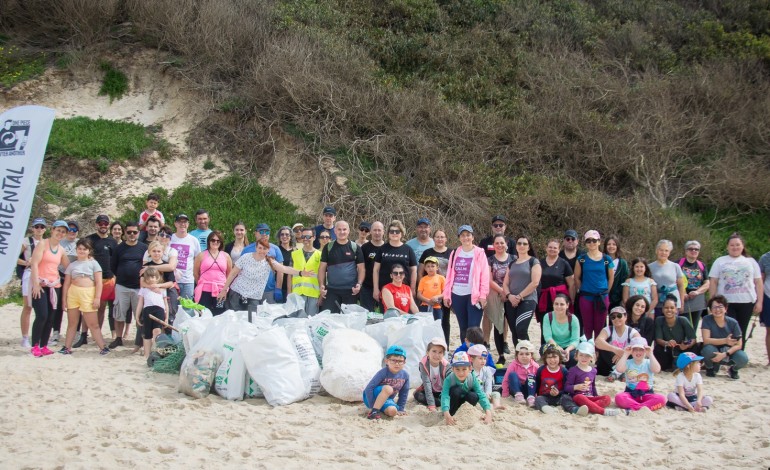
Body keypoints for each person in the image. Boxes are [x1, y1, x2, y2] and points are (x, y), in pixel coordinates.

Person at [708, 233, 763, 349]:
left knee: (741, 330)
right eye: (732, 245)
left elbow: (758, 282)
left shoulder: (751, 262)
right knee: (727, 330)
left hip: (747, 302)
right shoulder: (720, 261)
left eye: (738, 245)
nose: (735, 247)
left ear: (742, 246)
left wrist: (759, 302)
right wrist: (712, 301)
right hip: (726, 303)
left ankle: (738, 357)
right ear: (727, 247)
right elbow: (713, 281)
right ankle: (725, 354)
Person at [59, 239, 109, 355]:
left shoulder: (94, 263)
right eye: (79, 249)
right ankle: (67, 347)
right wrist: (63, 299)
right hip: (73, 293)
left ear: (89, 251)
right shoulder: (72, 265)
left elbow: (99, 282)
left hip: (88, 293)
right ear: (76, 250)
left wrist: (97, 298)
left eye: (84, 249)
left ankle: (102, 347)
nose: (82, 251)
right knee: (72, 323)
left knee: (93, 324)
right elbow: (66, 283)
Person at [28, 220, 70, 357]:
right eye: (58, 230)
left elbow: (68, 267)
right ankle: (34, 345)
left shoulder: (61, 250)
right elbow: (34, 264)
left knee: (51, 317)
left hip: (54, 285)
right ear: (52, 230)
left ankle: (44, 345)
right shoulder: (42, 244)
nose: (60, 233)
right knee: (42, 315)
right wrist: (35, 284)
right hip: (40, 284)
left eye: (63, 231)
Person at [442, 225, 489, 344]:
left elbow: (485, 275)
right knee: (463, 327)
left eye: (468, 235)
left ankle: (475, 353)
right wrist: (446, 295)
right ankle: (464, 354)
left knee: (473, 328)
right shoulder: (454, 252)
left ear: (472, 237)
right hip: (457, 294)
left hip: (474, 295)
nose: (465, 238)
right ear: (459, 238)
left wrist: (483, 295)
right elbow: (449, 275)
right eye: (462, 235)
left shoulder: (479, 252)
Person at [109, 221, 147, 350]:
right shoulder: (119, 248)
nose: (132, 234)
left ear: (138, 233)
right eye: (129, 232)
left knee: (139, 315)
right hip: (122, 286)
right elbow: (113, 266)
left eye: (134, 232)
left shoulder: (143, 248)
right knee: (119, 313)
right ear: (125, 233)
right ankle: (118, 338)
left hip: (139, 287)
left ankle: (139, 340)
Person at [82, 215, 119, 346]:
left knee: (102, 308)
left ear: (108, 225)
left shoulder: (113, 242)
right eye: (100, 223)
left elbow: (115, 260)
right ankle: (84, 334)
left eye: (105, 223)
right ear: (96, 224)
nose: (103, 225)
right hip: (91, 279)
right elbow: (83, 257)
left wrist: (115, 276)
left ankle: (96, 333)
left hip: (107, 279)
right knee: (87, 308)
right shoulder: (89, 240)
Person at [573, 230, 614, 340]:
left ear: (599, 242)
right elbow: (576, 277)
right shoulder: (581, 259)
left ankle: (598, 351)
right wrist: (582, 289)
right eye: (588, 241)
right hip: (586, 297)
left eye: (594, 240)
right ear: (585, 243)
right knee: (587, 326)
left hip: (602, 297)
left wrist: (606, 291)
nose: (591, 243)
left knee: (600, 327)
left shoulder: (607, 259)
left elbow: (611, 278)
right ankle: (587, 352)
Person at [502, 235, 541, 347]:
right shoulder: (512, 263)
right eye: (519, 243)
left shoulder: (533, 261)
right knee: (514, 331)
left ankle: (528, 356)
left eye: (525, 244)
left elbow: (535, 283)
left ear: (529, 247)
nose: (521, 246)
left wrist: (519, 296)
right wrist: (509, 296)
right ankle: (518, 357)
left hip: (527, 300)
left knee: (521, 329)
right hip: (511, 301)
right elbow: (505, 283)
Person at [560, 341, 619, 416]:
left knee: (607, 398)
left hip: (590, 398)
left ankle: (590, 407)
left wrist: (596, 396)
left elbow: (593, 386)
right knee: (579, 397)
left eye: (587, 356)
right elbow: (567, 387)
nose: (584, 358)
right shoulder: (573, 370)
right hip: (578, 398)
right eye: (581, 355)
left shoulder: (593, 370)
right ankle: (603, 411)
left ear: (591, 357)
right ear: (576, 356)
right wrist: (576, 387)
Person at [318, 220, 364, 312]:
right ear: (335, 231)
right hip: (332, 290)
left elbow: (362, 269)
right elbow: (322, 269)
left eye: (344, 229)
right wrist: (321, 286)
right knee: (329, 319)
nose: (342, 232)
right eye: (339, 229)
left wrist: (359, 284)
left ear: (348, 231)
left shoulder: (355, 247)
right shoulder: (328, 247)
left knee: (349, 321)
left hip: (350, 291)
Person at [701, 295, 749, 380]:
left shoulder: (733, 322)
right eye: (714, 307)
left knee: (743, 358)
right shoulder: (707, 319)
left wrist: (725, 354)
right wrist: (725, 341)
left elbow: (739, 344)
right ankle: (710, 367)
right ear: (710, 309)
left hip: (729, 351)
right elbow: (706, 340)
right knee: (707, 350)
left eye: (720, 307)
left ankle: (733, 370)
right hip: (713, 349)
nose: (717, 310)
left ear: (726, 308)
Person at [219, 238, 274, 311]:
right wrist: (224, 289)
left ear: (268, 249)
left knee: (251, 319)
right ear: (256, 248)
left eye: (264, 248)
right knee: (234, 318)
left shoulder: (270, 262)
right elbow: (233, 273)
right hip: (237, 293)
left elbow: (284, 269)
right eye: (260, 248)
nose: (262, 250)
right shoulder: (246, 257)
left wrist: (294, 270)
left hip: (253, 297)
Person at [418, 228, 452, 344]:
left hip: (444, 292)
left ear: (446, 239)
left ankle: (445, 345)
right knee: (427, 321)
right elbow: (420, 271)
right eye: (437, 237)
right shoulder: (427, 252)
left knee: (444, 320)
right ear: (433, 238)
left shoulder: (451, 253)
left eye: (442, 237)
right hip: (428, 292)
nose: (440, 239)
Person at [614, 337, 667, 412]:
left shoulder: (648, 362)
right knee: (619, 397)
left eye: (641, 350)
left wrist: (651, 354)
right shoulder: (628, 362)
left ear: (645, 351)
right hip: (630, 393)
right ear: (631, 351)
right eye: (635, 349)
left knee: (661, 399)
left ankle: (637, 407)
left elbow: (657, 369)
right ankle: (642, 408)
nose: (638, 352)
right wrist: (625, 354)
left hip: (647, 394)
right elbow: (619, 369)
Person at [440, 351, 493, 425]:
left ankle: (468, 413)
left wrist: (488, 412)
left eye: (464, 369)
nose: (461, 373)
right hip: (453, 402)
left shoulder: (472, 378)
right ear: (452, 369)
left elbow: (481, 394)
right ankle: (452, 414)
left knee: (473, 396)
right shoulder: (449, 379)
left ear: (470, 368)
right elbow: (444, 396)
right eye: (457, 369)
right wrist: (446, 413)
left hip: (466, 403)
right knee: (456, 390)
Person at [373, 220, 418, 306]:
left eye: (397, 231)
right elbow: (376, 270)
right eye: (391, 231)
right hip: (385, 289)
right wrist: (375, 289)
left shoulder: (408, 249)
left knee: (404, 316)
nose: (394, 233)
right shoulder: (382, 249)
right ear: (388, 234)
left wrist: (412, 289)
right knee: (387, 316)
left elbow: (414, 271)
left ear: (401, 233)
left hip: (403, 290)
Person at [18, 218, 46, 348]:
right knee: (28, 306)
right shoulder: (26, 242)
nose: (39, 229)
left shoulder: (47, 243)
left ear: (45, 229)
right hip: (29, 274)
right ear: (33, 228)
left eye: (41, 227)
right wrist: (26, 263)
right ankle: (25, 337)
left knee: (43, 308)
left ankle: (41, 336)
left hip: (44, 276)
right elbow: (15, 257)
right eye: (37, 227)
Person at [363, 345, 410, 420]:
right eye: (393, 360)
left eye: (400, 361)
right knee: (388, 389)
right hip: (372, 397)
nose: (397, 364)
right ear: (386, 361)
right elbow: (369, 388)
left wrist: (401, 408)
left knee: (393, 411)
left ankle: (379, 409)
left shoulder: (405, 375)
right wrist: (372, 406)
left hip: (387, 400)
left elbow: (404, 393)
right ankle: (374, 411)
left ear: (404, 362)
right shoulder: (383, 373)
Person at [487, 234, 513, 362]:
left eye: (502, 243)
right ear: (493, 245)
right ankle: (501, 355)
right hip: (496, 295)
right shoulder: (490, 260)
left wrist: (507, 293)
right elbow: (489, 279)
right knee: (498, 325)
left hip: (512, 295)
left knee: (514, 325)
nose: (499, 245)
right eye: (497, 243)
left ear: (506, 244)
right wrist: (502, 291)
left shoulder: (513, 259)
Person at [537, 237, 575, 328]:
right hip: (544, 298)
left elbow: (571, 284)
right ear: (546, 248)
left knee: (559, 324)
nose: (552, 250)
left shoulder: (564, 263)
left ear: (559, 249)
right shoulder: (539, 263)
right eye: (550, 247)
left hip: (560, 300)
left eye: (555, 248)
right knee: (545, 324)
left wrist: (571, 300)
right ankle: (545, 343)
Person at [653, 295, 697, 371]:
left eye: (672, 308)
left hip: (682, 349)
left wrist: (687, 345)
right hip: (667, 350)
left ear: (676, 310)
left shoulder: (683, 320)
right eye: (666, 308)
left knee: (696, 347)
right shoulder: (659, 320)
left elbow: (693, 339)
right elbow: (658, 339)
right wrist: (667, 343)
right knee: (657, 349)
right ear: (662, 309)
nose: (669, 310)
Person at [595, 306, 641, 378]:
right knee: (604, 348)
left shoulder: (632, 331)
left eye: (619, 316)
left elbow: (640, 346)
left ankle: (618, 372)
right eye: (613, 317)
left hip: (626, 361)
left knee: (635, 350)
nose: (616, 318)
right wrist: (616, 350)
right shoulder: (608, 329)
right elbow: (598, 342)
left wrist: (623, 354)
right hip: (610, 362)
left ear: (625, 317)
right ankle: (618, 372)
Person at [193, 231, 232, 316]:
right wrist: (200, 283)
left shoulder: (226, 256)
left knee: (219, 314)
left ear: (221, 242)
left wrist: (225, 288)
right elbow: (196, 273)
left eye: (218, 241)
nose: (215, 242)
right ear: (209, 241)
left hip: (220, 290)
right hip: (204, 290)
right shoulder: (201, 255)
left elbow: (229, 274)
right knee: (203, 313)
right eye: (213, 240)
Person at [134, 267, 169, 358]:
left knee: (157, 330)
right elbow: (140, 303)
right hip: (147, 310)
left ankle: (156, 351)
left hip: (159, 310)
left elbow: (166, 304)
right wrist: (137, 316)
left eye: (153, 277)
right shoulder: (144, 290)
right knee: (147, 332)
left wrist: (167, 317)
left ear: (157, 278)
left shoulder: (162, 290)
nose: (151, 279)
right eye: (148, 277)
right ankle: (147, 353)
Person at [289, 228, 322, 316]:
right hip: (297, 294)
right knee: (298, 322)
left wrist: (321, 296)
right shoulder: (294, 254)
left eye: (308, 236)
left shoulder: (320, 255)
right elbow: (290, 275)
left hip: (314, 294)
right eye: (303, 236)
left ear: (314, 237)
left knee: (311, 321)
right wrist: (289, 293)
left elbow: (324, 276)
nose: (305, 239)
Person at [541, 294, 580, 368]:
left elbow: (575, 340)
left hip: (568, 347)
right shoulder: (548, 317)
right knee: (543, 349)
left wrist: (568, 350)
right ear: (553, 305)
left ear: (567, 305)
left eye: (562, 304)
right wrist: (557, 347)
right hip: (553, 345)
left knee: (573, 356)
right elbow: (547, 336)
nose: (559, 307)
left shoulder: (573, 319)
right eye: (556, 304)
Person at [679, 240, 710, 330]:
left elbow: (707, 283)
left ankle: (692, 343)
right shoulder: (678, 264)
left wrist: (697, 292)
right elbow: (673, 280)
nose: (694, 251)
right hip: (683, 298)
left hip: (697, 299)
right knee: (684, 325)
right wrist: (683, 293)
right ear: (686, 251)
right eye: (691, 249)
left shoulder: (701, 265)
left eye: (696, 249)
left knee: (694, 327)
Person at [649, 239, 686, 315]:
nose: (663, 253)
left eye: (666, 251)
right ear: (656, 251)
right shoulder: (650, 267)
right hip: (657, 301)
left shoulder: (675, 266)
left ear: (669, 252)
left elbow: (681, 286)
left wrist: (682, 303)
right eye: (661, 250)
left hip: (673, 301)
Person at [170, 214, 201, 301]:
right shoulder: (170, 238)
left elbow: (198, 260)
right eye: (180, 222)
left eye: (185, 222)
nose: (182, 224)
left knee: (187, 309)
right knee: (173, 308)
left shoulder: (194, 240)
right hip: (171, 280)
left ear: (188, 224)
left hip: (188, 281)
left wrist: (196, 277)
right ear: (175, 224)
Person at [414, 337, 449, 410]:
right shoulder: (423, 364)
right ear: (427, 353)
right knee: (417, 395)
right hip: (430, 390)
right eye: (434, 351)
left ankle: (440, 402)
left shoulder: (446, 365)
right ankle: (437, 402)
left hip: (442, 391)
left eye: (440, 352)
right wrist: (431, 405)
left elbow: (448, 385)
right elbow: (427, 384)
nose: (437, 355)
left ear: (443, 354)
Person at [501, 340, 539, 407]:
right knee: (512, 375)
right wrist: (505, 393)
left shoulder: (535, 366)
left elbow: (539, 381)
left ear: (531, 355)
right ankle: (519, 397)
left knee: (532, 376)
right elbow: (506, 379)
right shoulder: (513, 365)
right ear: (517, 355)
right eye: (521, 354)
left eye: (527, 354)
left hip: (529, 389)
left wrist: (537, 394)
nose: (524, 356)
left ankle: (531, 398)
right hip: (516, 389)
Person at [534, 344, 569, 414]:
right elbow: (537, 384)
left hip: (559, 397)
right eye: (549, 357)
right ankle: (547, 409)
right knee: (538, 399)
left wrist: (558, 393)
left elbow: (566, 389)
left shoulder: (564, 371)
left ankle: (574, 409)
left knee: (567, 398)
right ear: (545, 359)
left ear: (559, 357)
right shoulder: (541, 370)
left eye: (555, 357)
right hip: (544, 397)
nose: (552, 360)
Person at [360, 221, 385, 311]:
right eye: (374, 230)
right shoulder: (364, 248)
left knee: (385, 316)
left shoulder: (387, 248)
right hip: (367, 287)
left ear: (383, 232)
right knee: (366, 315)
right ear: (370, 232)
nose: (377, 233)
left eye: (379, 230)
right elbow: (360, 268)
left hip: (384, 287)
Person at [468, 344, 502, 409]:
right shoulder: (469, 372)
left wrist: (488, 393)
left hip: (486, 394)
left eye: (484, 358)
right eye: (480, 358)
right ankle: (486, 406)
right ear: (472, 359)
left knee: (496, 394)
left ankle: (496, 405)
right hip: (476, 395)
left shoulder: (487, 370)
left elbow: (488, 384)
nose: (483, 361)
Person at [603, 235, 628, 309]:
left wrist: (619, 297)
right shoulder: (601, 261)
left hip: (617, 300)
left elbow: (624, 281)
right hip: (601, 298)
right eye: (609, 244)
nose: (611, 246)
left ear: (617, 246)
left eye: (614, 244)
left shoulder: (622, 263)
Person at [276, 226, 295, 303]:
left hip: (292, 288)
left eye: (287, 234)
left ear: (291, 237)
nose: (284, 236)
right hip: (278, 287)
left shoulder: (296, 252)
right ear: (279, 237)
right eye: (282, 234)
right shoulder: (276, 250)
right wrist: (277, 289)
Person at [759, 242, 770, 365]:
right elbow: (761, 279)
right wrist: (759, 299)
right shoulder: (765, 258)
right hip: (768, 296)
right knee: (769, 330)